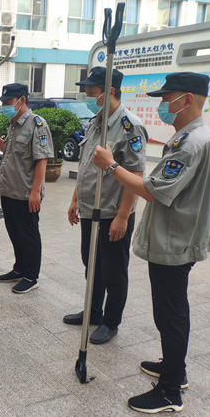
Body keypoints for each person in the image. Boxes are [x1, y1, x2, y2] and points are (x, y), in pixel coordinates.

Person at [93, 72, 210, 413]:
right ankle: (175, 368)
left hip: (175, 242)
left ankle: (169, 392)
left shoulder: (190, 143)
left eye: (166, 98)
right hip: (176, 237)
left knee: (170, 314)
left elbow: (151, 190)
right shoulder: (191, 137)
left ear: (186, 100)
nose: (163, 105)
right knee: (172, 312)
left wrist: (111, 165)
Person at [63, 67, 148, 345]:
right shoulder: (96, 122)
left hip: (113, 213)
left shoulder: (130, 126)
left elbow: (136, 176)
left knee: (113, 271)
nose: (88, 97)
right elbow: (86, 165)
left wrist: (123, 217)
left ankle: (111, 322)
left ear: (109, 92)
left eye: (92, 93)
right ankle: (93, 311)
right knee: (92, 265)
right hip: (90, 210)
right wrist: (75, 200)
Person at [0, 83, 53, 294]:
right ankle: (19, 268)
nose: (5, 105)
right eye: (3, 102)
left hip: (25, 192)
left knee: (28, 235)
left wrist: (35, 192)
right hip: (9, 190)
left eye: (8, 102)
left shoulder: (37, 124)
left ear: (21, 100)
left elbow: (42, 160)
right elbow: (9, 150)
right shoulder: (13, 124)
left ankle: (31, 276)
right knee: (15, 233)